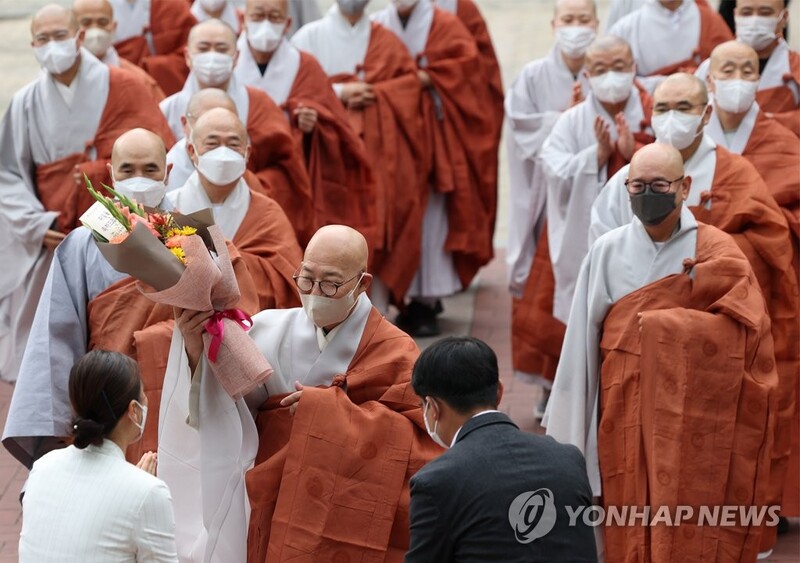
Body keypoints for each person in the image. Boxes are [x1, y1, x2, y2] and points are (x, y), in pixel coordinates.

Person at [590, 73, 798, 553]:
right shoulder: (621, 192)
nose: (672, 118)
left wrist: (704, 267)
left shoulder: (732, 181)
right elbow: (596, 293)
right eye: (662, 108)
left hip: (704, 380)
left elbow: (763, 258)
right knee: (632, 485)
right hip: (628, 380)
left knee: (699, 486)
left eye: (683, 107)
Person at [545, 143, 780, 561]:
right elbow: (580, 345)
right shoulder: (607, 250)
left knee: (690, 512)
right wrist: (570, 441)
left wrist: (667, 329)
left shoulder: (717, 250)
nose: (646, 194)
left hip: (693, 413)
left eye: (659, 185)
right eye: (637, 186)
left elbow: (749, 333)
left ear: (684, 187)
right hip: (623, 407)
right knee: (627, 509)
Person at [161, 224, 440, 561]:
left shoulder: (395, 350)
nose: (315, 292)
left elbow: (418, 441)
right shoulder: (268, 329)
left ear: (363, 283)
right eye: (306, 279)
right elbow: (225, 407)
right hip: (267, 495)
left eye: (331, 284)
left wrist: (327, 413)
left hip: (343, 500)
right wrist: (195, 348)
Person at [0, 4, 174, 384]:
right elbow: (8, 172)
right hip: (54, 231)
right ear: (32, 45)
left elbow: (155, 156)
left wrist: (96, 176)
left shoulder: (125, 85)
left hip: (121, 226)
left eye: (60, 35)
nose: (53, 45)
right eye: (43, 38)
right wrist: (34, 223)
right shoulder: (25, 102)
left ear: (78, 37)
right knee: (55, 337)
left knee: (118, 317)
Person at [3, 128, 175, 469]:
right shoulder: (84, 242)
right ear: (111, 173)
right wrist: (59, 427)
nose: (139, 179)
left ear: (167, 172)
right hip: (104, 401)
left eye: (150, 169)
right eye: (127, 170)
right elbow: (56, 338)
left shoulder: (188, 235)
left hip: (176, 391)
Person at [513, 35, 653, 414]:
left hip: (636, 230)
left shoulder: (652, 109)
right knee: (566, 307)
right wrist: (597, 155)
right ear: (587, 75)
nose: (612, 76)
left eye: (619, 66)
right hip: (578, 230)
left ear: (633, 67)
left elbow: (671, 159)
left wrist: (634, 152)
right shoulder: (573, 120)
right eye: (601, 69)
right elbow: (553, 167)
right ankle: (559, 389)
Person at [406, 336, 597, 562]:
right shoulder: (568, 459)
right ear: (499, 391)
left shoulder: (436, 482)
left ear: (433, 407)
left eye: (422, 406)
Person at [373, 0, 500, 336]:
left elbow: (467, 70)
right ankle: (393, 293)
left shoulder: (446, 23)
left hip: (434, 132)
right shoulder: (377, 24)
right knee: (395, 210)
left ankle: (425, 300)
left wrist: (422, 78)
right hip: (391, 132)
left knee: (431, 215)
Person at [291, 0, 428, 313]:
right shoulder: (308, 37)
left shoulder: (386, 40)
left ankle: (373, 315)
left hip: (376, 156)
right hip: (327, 157)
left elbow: (408, 88)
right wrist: (340, 93)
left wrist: (378, 94)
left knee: (375, 227)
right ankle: (321, 307)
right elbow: (295, 94)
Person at [505, 0, 595, 403]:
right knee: (546, 290)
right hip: (546, 198)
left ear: (596, 23)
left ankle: (584, 385)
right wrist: (569, 119)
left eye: (584, 19)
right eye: (568, 19)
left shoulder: (604, 69)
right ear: (554, 24)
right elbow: (520, 126)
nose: (576, 27)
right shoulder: (532, 75)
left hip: (592, 194)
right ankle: (547, 386)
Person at [234, 0, 377, 246]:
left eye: (274, 17)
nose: (266, 24)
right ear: (243, 19)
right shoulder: (229, 63)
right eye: (258, 16)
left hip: (290, 179)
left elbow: (336, 126)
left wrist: (313, 126)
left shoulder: (305, 65)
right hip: (238, 172)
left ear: (288, 23)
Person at [160, 19, 313, 242]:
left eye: (221, 48)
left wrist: (250, 181)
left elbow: (287, 168)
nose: (212, 56)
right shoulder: (166, 112)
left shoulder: (264, 210)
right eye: (204, 47)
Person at [19, 350, 178, 562]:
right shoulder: (148, 492)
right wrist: (139, 490)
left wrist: (135, 487)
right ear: (134, 410)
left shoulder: (41, 468)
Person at [696, 0, 799, 136]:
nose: (754, 20)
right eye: (746, 13)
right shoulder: (709, 67)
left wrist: (766, 121)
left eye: (765, 13)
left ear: (784, 17)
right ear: (735, 15)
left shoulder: (795, 68)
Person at [608, 0, 733, 92]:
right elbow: (612, 79)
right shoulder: (625, 28)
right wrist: (660, 84)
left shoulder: (710, 20)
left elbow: (728, 70)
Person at [434, 0, 504, 140]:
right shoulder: (391, 19)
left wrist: (435, 76)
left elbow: (483, 65)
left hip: (460, 106)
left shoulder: (463, 8)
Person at [72, 0, 166, 102]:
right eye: (86, 23)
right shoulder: (63, 75)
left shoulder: (138, 80)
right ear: (73, 28)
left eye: (103, 22)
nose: (95, 30)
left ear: (114, 27)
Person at [107, 0, 196, 95]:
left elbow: (191, 52)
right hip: (114, 84)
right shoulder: (98, 6)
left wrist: (152, 67)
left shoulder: (172, 5)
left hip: (162, 90)